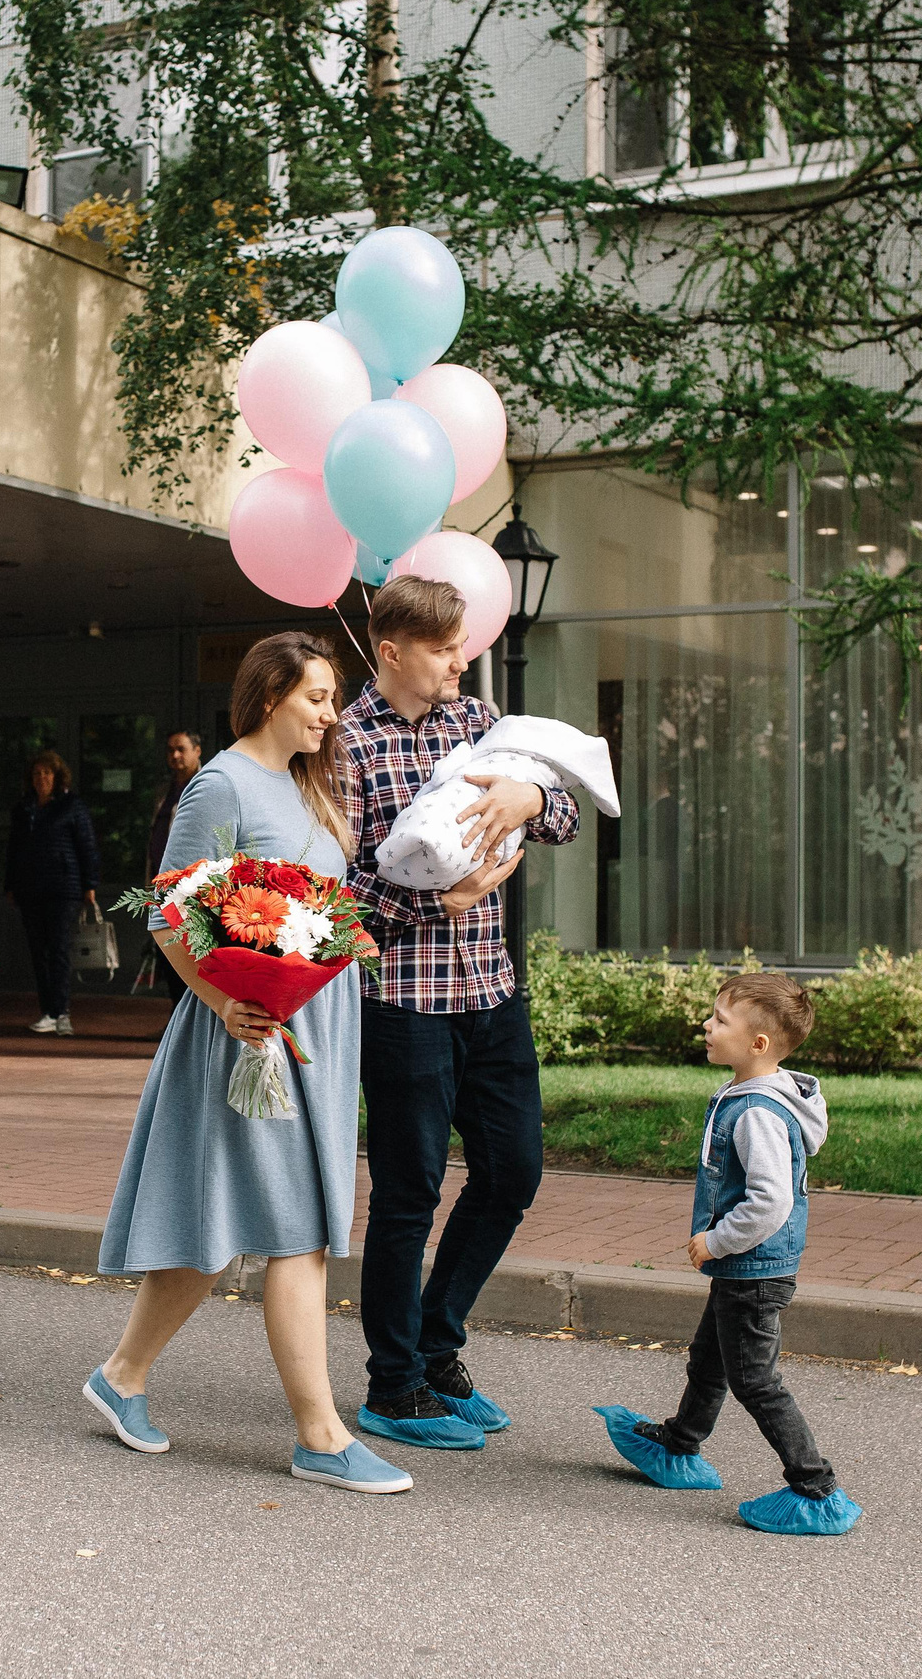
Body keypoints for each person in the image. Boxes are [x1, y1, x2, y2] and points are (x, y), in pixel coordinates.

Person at [84, 633, 410, 1494]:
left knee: (228, 1224)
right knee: (296, 1227)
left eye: (333, 698)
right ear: (269, 696)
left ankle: (120, 1375)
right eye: (317, 697)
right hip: (247, 1035)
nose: (330, 714)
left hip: (319, 1032)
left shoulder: (314, 784)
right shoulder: (220, 784)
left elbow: (327, 906)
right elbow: (165, 914)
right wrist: (228, 1002)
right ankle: (321, 1434)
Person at [337, 574, 580, 1451]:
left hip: (491, 990)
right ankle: (392, 1384)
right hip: (402, 1003)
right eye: (443, 649)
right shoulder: (346, 746)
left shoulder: (480, 724)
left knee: (513, 1172)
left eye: (463, 644)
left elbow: (564, 815)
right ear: (392, 651)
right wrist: (437, 902)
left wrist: (531, 800)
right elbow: (339, 897)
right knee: (409, 1195)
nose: (460, 660)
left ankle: (437, 1346)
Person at [595, 972, 863, 1536]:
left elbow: (770, 1202)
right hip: (748, 1267)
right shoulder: (755, 1092)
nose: (707, 1026)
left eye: (720, 1020)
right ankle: (679, 1444)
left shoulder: (759, 1113)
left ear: (758, 1044)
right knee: (711, 1358)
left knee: (756, 1381)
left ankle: (816, 1488)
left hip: (753, 1266)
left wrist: (715, 1241)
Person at [5, 750, 97, 1037]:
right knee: (38, 952)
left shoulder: (72, 806)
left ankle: (61, 1012)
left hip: (63, 890)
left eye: (47, 773)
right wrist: (10, 885)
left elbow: (87, 846)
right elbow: (13, 850)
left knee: (58, 950)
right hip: (30, 891)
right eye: (37, 773)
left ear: (57, 777)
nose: (42, 778)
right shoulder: (24, 809)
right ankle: (48, 1011)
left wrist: (89, 885)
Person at [144, 730, 203, 1005]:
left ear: (197, 750)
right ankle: (173, 1022)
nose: (175, 756)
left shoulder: (206, 785)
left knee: (191, 955)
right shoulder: (164, 790)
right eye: (170, 750)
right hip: (161, 885)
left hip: (191, 887)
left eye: (181, 749)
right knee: (167, 953)